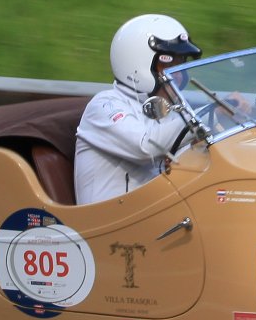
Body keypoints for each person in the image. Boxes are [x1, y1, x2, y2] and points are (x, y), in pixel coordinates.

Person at [74, 14, 202, 205]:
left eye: (180, 65)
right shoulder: (105, 104)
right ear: (137, 64)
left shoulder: (170, 109)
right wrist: (207, 116)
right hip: (110, 219)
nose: (178, 76)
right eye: (167, 65)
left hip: (157, 212)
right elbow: (145, 146)